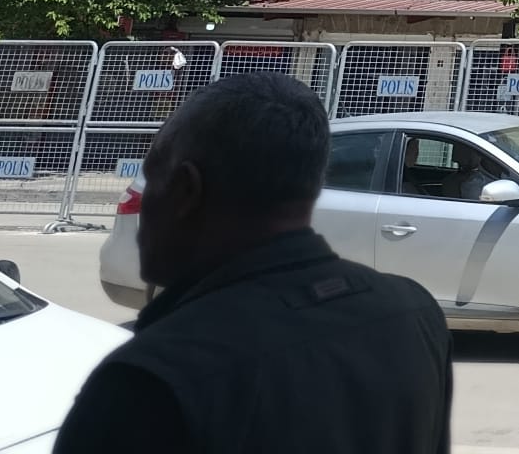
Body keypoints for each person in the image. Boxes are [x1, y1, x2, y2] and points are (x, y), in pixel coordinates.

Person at [57, 73, 451, 454]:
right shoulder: (413, 314)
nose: (140, 206)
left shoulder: (147, 381)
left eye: (151, 178)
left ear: (184, 190)